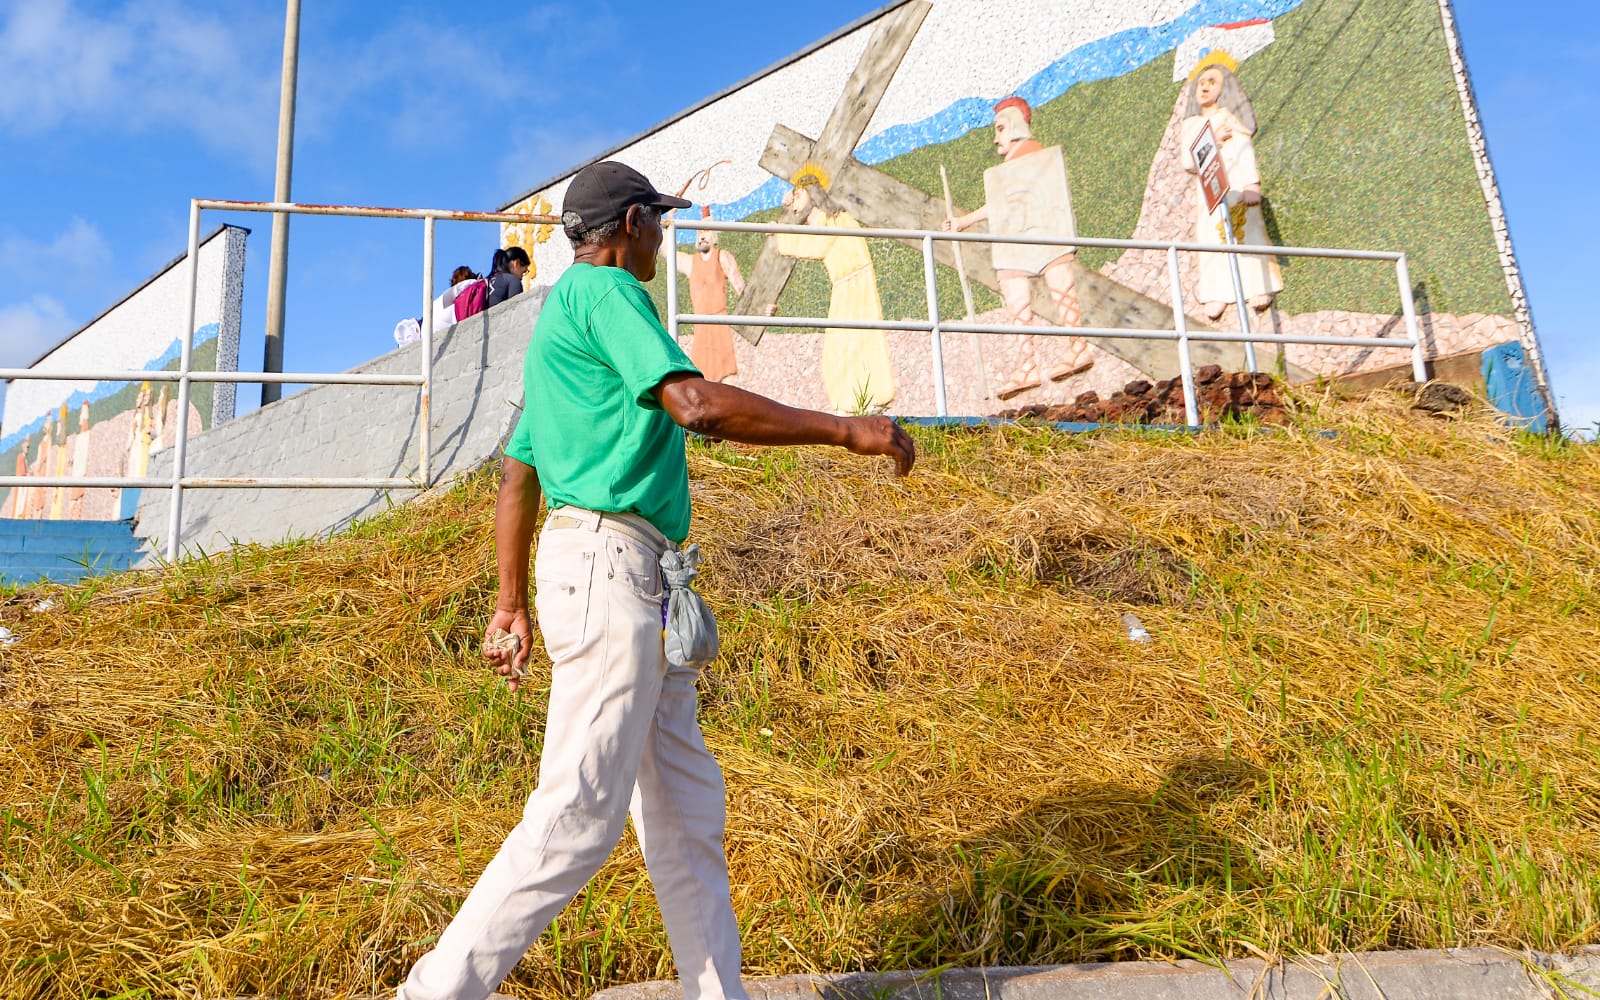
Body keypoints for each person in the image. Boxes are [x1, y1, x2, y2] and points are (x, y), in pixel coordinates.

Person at [394, 160, 914, 1000]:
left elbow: (518, 479)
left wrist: (511, 604)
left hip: (621, 577)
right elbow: (696, 406)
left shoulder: (558, 322)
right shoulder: (607, 297)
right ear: (630, 222)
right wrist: (844, 429)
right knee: (576, 817)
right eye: (659, 221)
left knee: (683, 821)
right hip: (611, 574)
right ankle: (435, 994)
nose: (665, 236)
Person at [944, 96, 1090, 400]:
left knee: (1059, 286)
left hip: (1044, 233)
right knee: (1017, 296)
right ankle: (1028, 365)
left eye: (1000, 129)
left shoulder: (1036, 157)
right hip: (1017, 239)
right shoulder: (1010, 167)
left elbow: (1009, 199)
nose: (996, 138)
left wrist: (963, 221)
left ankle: (1076, 349)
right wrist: (962, 222)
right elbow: (1001, 202)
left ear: (1014, 126)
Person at [772, 163, 896, 413]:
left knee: (856, 343)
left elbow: (815, 245)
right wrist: (788, 206)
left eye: (799, 194)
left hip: (854, 285)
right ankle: (851, 401)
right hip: (845, 286)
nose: (795, 200)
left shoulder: (835, 219)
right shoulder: (828, 219)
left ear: (812, 193)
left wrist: (780, 237)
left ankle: (866, 399)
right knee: (841, 348)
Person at [1178, 55, 1282, 320]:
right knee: (1212, 240)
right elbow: (1189, 161)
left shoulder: (1229, 118)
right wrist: (1212, 138)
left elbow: (1244, 148)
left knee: (1245, 233)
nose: (1204, 88)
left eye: (1211, 82)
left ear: (1223, 89)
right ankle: (1217, 292)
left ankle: (1259, 286)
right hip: (1210, 192)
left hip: (1236, 186)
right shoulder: (1191, 125)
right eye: (1201, 83)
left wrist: (1252, 183)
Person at [675, 206, 746, 383]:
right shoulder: (692, 262)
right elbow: (666, 251)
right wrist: (670, 216)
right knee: (702, 379)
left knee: (728, 379)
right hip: (701, 329)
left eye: (706, 231)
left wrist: (762, 311)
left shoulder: (722, 256)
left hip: (719, 324)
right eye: (699, 232)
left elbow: (743, 290)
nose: (702, 235)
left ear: (713, 234)